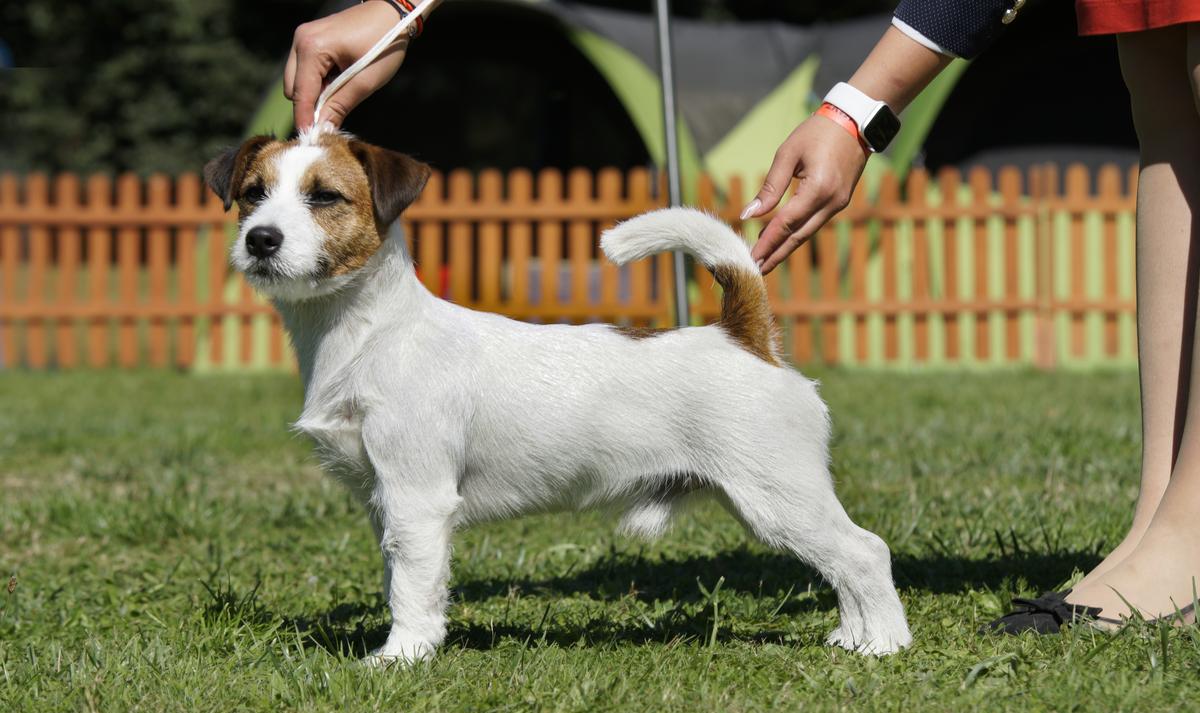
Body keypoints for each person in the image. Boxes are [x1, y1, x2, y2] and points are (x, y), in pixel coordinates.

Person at [286, 0, 1200, 633]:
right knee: (1167, 98)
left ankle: (1179, 543)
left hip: (712, 395)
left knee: (798, 518)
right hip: (704, 378)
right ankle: (1163, 513)